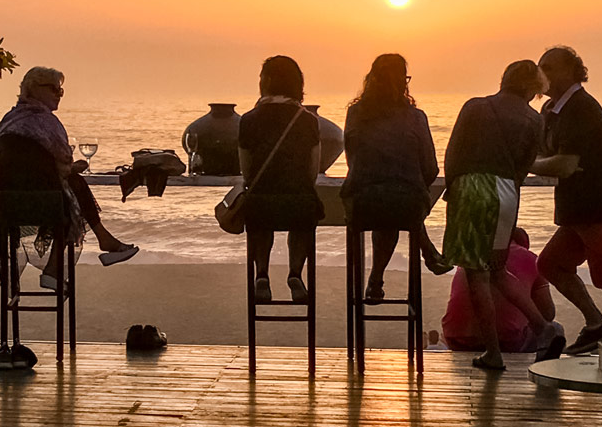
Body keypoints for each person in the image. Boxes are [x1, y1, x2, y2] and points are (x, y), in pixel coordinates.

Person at [441, 61, 564, 370]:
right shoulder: (533, 120)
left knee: (476, 272)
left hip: (473, 187)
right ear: (533, 88)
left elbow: (454, 153)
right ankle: (542, 326)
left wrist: (453, 189)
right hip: (507, 192)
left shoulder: (475, 107)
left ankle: (493, 353)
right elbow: (523, 166)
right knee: (497, 268)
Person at [532, 46, 602, 354]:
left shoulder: (581, 107)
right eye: (541, 68)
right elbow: (549, 156)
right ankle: (597, 323)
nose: (544, 75)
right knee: (551, 264)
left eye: (549, 68)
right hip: (577, 210)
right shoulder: (552, 110)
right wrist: (544, 160)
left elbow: (562, 163)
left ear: (572, 71)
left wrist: (529, 164)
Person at [0, 66, 138, 286]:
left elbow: (26, 163)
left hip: (10, 204)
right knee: (71, 190)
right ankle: (94, 246)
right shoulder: (47, 122)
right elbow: (62, 159)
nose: (58, 95)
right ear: (33, 89)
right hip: (47, 205)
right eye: (53, 89)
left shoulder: (8, 121)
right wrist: (72, 165)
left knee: (70, 185)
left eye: (60, 91)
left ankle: (79, 255)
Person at [341, 53, 447, 302]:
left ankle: (377, 279)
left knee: (385, 207)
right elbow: (431, 168)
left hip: (363, 204)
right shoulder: (416, 117)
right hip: (407, 204)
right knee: (399, 205)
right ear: (403, 81)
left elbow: (353, 162)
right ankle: (425, 253)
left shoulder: (356, 114)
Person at [237, 55, 323, 304]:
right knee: (304, 216)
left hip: (262, 203)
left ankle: (261, 274)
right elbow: (312, 171)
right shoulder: (307, 120)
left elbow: (247, 172)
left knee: (259, 215)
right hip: (298, 202)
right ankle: (295, 273)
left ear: (267, 81)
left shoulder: (249, 120)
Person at [442, 228, 563, 355]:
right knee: (556, 330)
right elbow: (548, 312)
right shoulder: (531, 259)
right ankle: (542, 369)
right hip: (507, 341)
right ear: (524, 245)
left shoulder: (471, 258)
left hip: (455, 338)